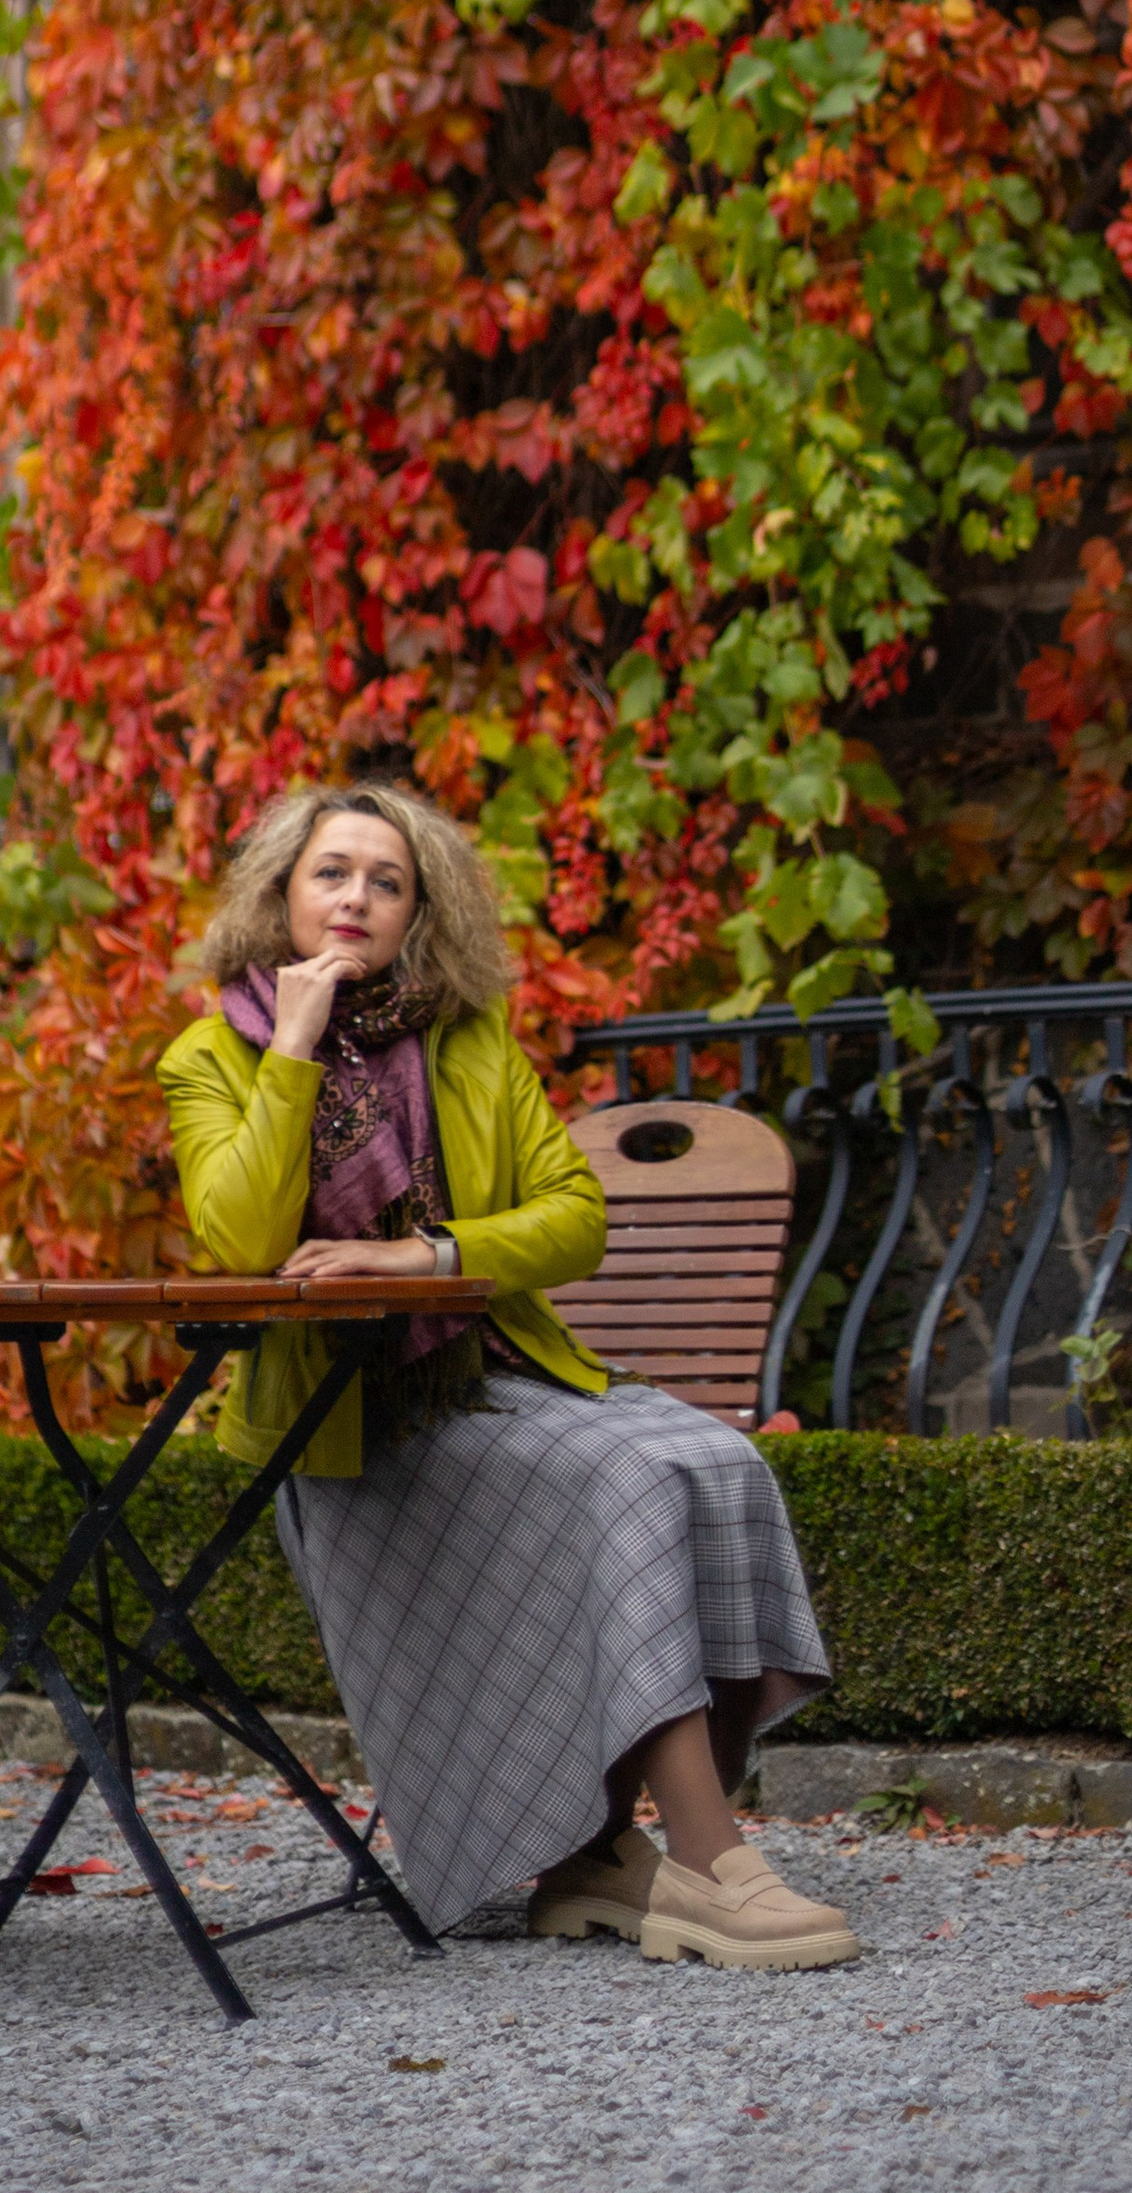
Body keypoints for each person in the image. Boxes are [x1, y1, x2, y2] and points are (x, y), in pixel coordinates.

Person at [160, 781, 858, 1969]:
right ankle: (704, 1861)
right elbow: (237, 1237)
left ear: (416, 914)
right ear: (280, 894)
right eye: (332, 873)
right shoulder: (207, 1056)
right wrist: (289, 1048)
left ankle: (590, 1853)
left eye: (388, 882)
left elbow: (575, 1219)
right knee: (626, 1483)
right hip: (351, 1428)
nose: (356, 898)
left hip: (490, 1381)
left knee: (712, 1457)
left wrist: (425, 1252)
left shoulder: (469, 1041)